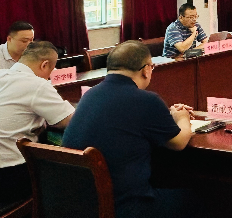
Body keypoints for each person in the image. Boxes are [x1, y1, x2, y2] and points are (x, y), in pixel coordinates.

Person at [63, 41, 197, 218]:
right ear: (146, 70)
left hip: (81, 205)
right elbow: (178, 142)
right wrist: (182, 118)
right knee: (200, 196)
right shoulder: (147, 100)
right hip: (125, 207)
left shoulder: (89, 95)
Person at [0, 41, 74, 205]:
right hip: (4, 178)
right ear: (44, 65)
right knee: (68, 172)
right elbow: (69, 121)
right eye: (51, 71)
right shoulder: (37, 84)